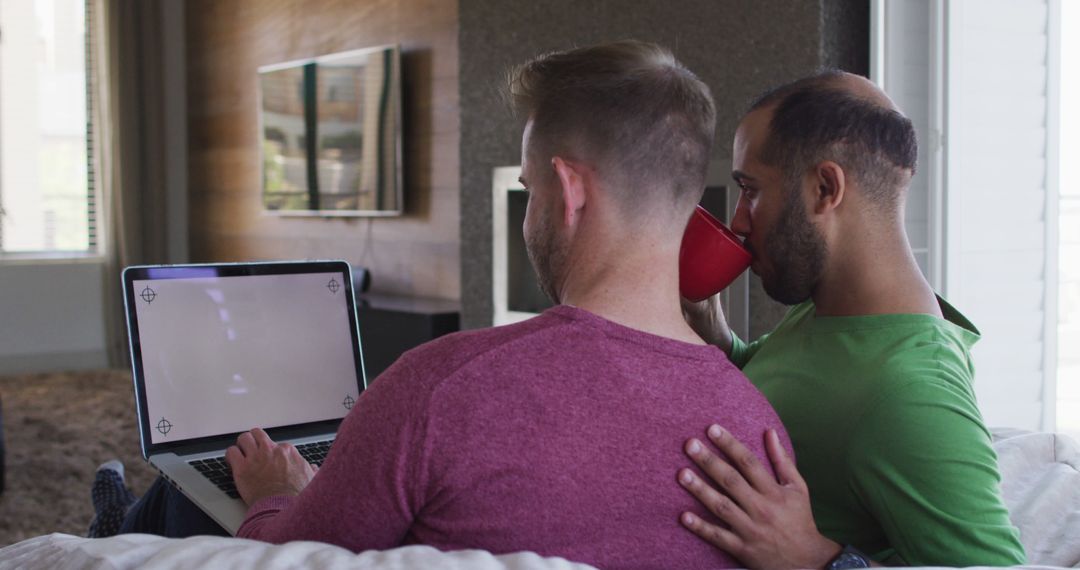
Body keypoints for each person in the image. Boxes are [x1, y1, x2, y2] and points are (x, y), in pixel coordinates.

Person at [89, 41, 790, 570]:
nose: (528, 215)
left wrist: (278, 494)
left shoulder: (441, 387)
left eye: (528, 190)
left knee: (191, 495)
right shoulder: (756, 431)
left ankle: (111, 538)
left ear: (568, 191)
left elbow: (292, 558)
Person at [673, 71, 1027, 568]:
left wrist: (821, 559)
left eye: (750, 190)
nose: (737, 221)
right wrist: (724, 343)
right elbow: (800, 392)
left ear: (824, 188)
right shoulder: (834, 311)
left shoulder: (911, 391)